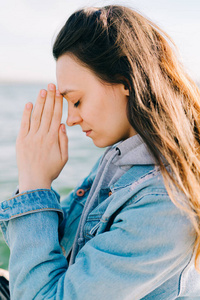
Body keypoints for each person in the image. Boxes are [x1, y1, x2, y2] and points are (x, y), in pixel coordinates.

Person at [0, 4, 200, 299]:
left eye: (77, 101)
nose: (71, 119)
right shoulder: (122, 162)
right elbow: (59, 252)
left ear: (126, 81)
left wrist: (34, 184)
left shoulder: (164, 202)